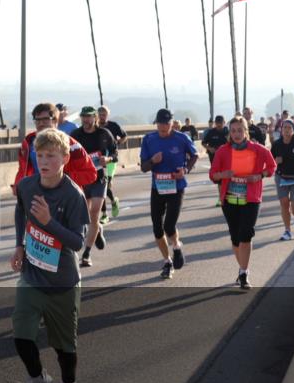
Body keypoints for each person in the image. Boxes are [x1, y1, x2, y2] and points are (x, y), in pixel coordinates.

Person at [10, 128, 87, 383]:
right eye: (39, 155)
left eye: (51, 156)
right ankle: (37, 379)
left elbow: (77, 242)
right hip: (32, 276)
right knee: (21, 336)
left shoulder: (73, 195)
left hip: (62, 282)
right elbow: (20, 210)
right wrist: (19, 245)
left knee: (64, 349)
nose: (44, 161)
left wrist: (48, 221)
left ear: (65, 158)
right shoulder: (27, 185)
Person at [210, 115, 277, 289]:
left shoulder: (258, 149)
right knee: (235, 237)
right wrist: (223, 175)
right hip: (230, 199)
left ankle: (243, 272)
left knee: (246, 234)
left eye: (240, 130)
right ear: (229, 133)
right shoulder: (223, 151)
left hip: (251, 199)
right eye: (233, 131)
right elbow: (213, 174)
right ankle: (242, 268)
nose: (236, 134)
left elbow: (272, 166)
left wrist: (259, 175)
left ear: (246, 131)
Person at [139, 108, 198, 280]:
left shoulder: (182, 138)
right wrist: (152, 161)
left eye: (166, 124)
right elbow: (143, 167)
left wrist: (185, 170)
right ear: (156, 124)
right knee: (157, 228)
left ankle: (176, 247)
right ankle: (167, 261)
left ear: (172, 123)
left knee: (169, 226)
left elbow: (194, 155)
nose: (163, 127)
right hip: (157, 188)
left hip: (176, 187)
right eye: (160, 124)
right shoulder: (149, 139)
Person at [13, 103, 97, 192]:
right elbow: (22, 169)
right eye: (37, 120)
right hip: (35, 193)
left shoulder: (71, 145)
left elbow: (91, 174)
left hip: (64, 195)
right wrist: (18, 185)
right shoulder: (28, 143)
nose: (41, 123)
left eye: (45, 119)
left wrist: (62, 179)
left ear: (55, 120)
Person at [72, 107, 118, 268]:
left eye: (89, 117)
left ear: (95, 118)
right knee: (84, 216)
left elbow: (115, 154)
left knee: (94, 213)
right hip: (82, 180)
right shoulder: (75, 135)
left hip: (99, 179)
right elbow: (66, 154)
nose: (86, 120)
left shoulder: (104, 134)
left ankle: (86, 254)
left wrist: (108, 159)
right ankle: (97, 230)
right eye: (83, 117)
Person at [97, 106, 127, 223]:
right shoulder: (95, 127)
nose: (102, 117)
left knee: (107, 185)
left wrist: (117, 143)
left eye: (104, 115)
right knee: (102, 185)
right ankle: (104, 214)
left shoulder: (113, 125)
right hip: (99, 160)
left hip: (111, 159)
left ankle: (113, 201)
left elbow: (124, 136)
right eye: (100, 114)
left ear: (107, 115)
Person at [201, 116, 230, 206]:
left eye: (220, 123)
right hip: (214, 159)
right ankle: (221, 198)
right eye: (217, 123)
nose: (219, 125)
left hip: (227, 158)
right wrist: (210, 148)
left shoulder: (228, 132)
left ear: (224, 122)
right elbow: (203, 143)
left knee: (227, 178)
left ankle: (226, 197)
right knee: (219, 179)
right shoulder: (211, 132)